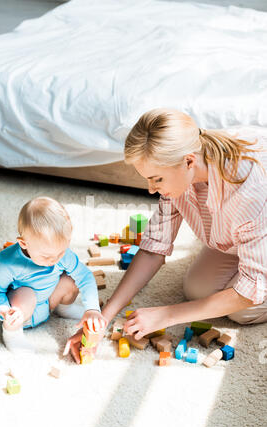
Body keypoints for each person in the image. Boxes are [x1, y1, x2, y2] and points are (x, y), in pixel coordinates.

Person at [64, 108, 267, 364]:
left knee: (243, 310)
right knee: (197, 289)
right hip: (244, 233)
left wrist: (166, 315)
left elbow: (249, 292)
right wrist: (103, 318)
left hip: (260, 213)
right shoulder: (181, 166)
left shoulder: (251, 191)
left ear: (189, 162)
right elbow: (152, 249)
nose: (151, 190)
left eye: (157, 179)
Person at [0, 196, 105, 353]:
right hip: (22, 314)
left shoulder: (61, 255)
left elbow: (85, 277)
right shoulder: (9, 262)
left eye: (60, 252)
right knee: (26, 294)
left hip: (49, 302)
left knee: (70, 279)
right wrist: (4, 311)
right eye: (46, 256)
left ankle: (64, 309)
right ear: (23, 244)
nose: (54, 260)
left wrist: (92, 308)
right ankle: (12, 334)